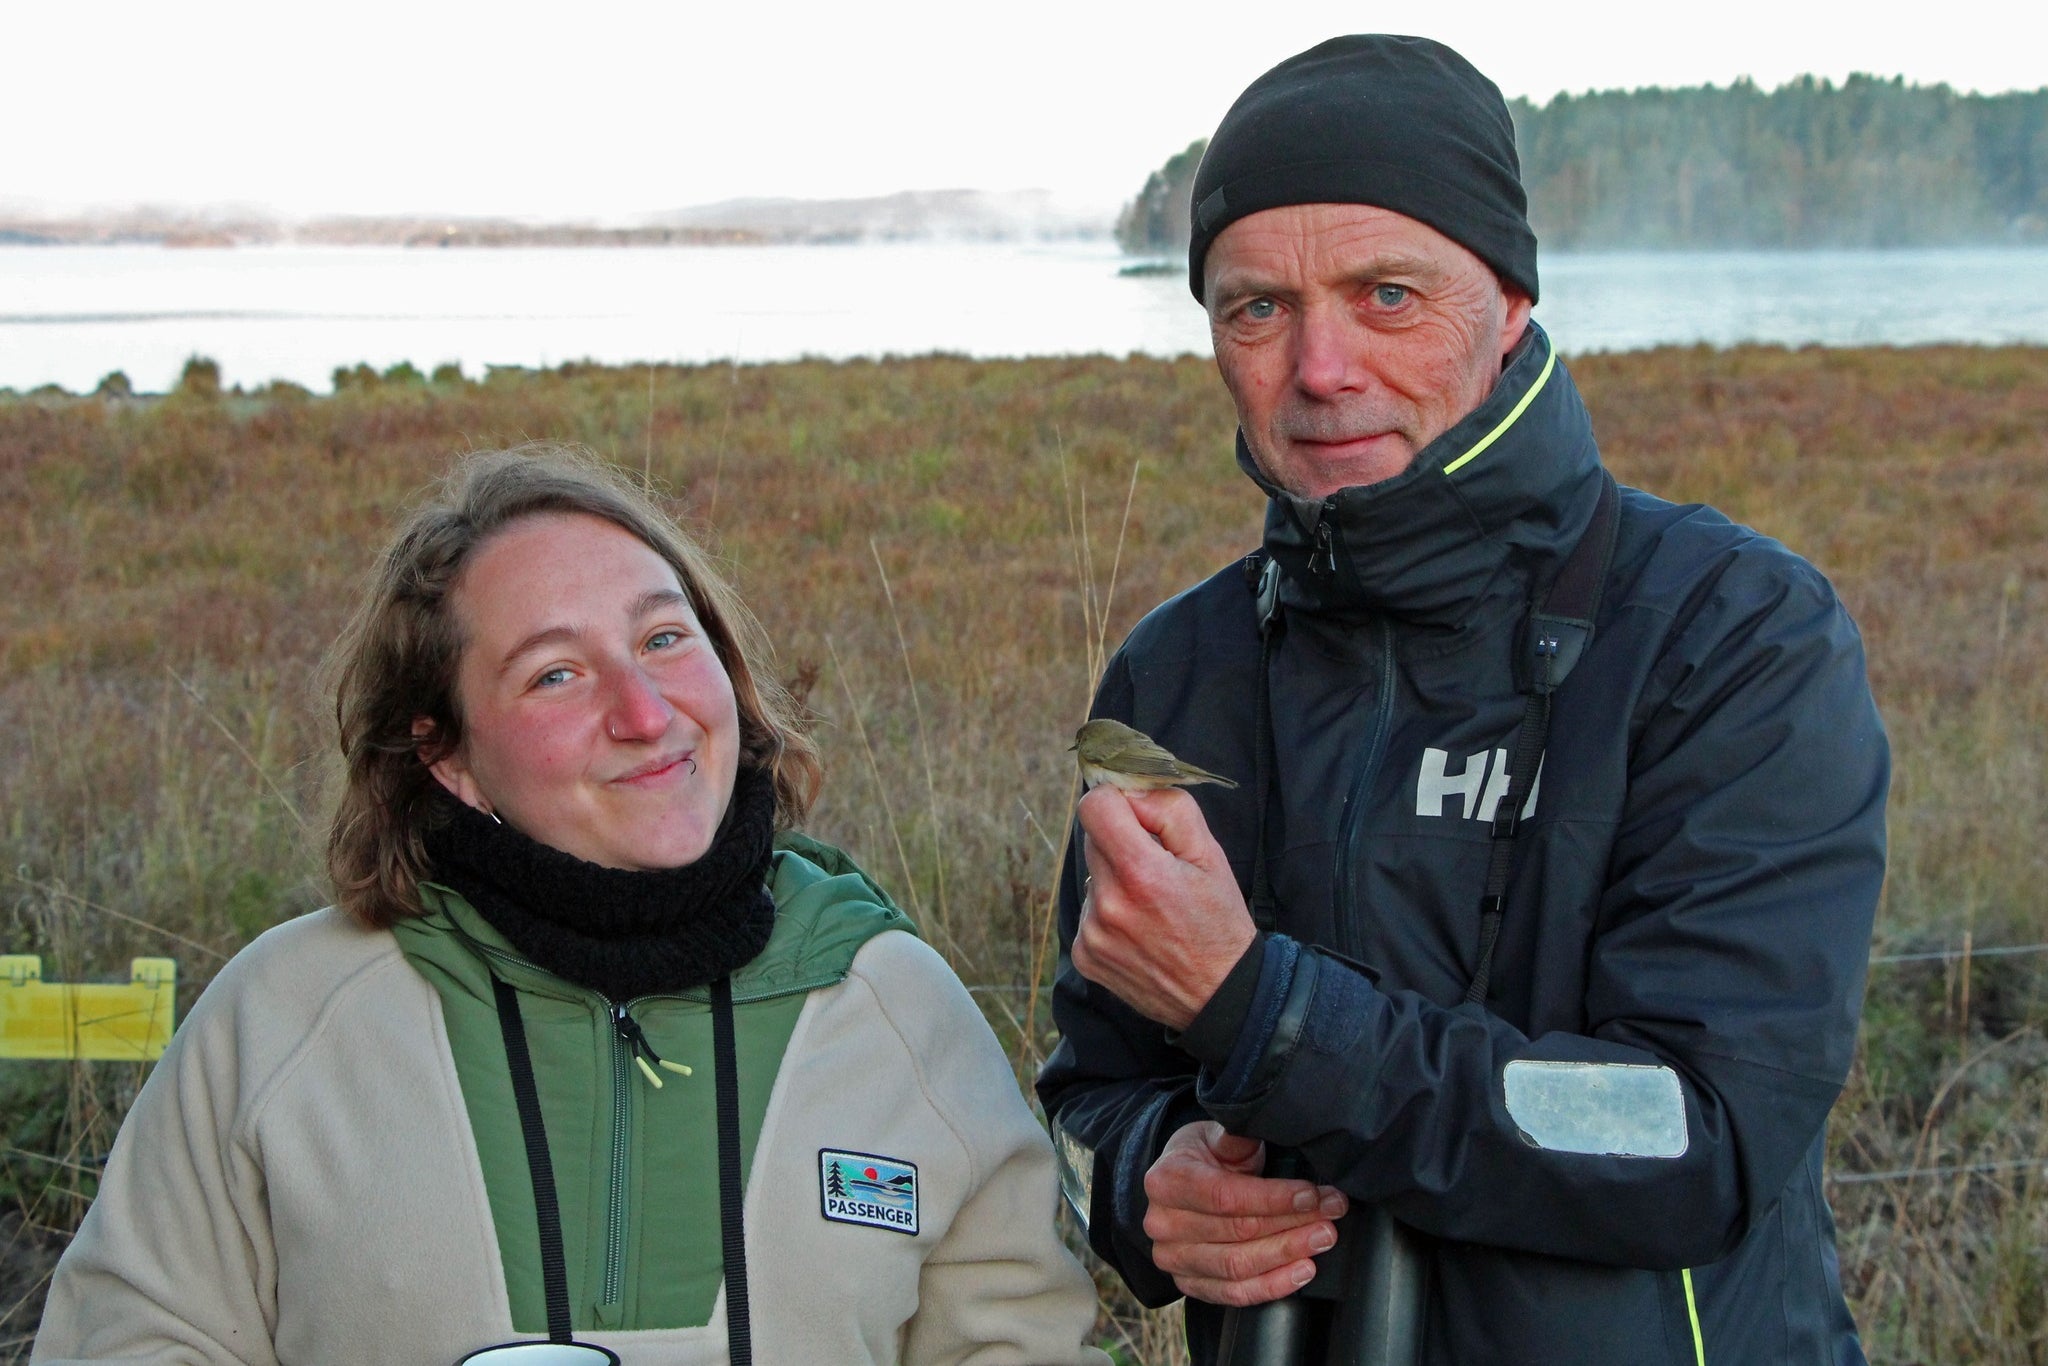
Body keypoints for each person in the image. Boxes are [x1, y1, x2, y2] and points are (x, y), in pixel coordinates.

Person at [1037, 35, 1888, 1366]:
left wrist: (1264, 1014)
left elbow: (1697, 1135)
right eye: (1257, 308)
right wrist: (1149, 1183)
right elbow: (1086, 1092)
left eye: (1386, 294)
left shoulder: (1728, 631)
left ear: (1509, 301)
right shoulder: (1175, 673)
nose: (1319, 368)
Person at [36, 447, 1107, 1365]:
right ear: (446, 754)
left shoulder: (893, 1006)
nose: (646, 714)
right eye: (555, 674)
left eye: (663, 639)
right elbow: (133, 1335)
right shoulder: (286, 1018)